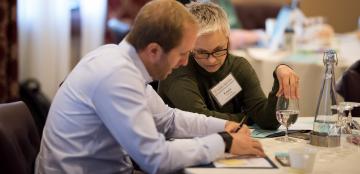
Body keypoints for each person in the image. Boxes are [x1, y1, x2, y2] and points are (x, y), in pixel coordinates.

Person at [35, 1, 265, 174]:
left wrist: (224, 125)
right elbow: (155, 159)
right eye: (182, 54)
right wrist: (224, 142)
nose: (184, 63)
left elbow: (168, 119)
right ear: (154, 50)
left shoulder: (118, 59)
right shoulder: (116, 76)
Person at [158, 2, 300, 130]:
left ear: (228, 40)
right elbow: (200, 120)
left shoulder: (239, 67)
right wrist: (247, 118)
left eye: (219, 50)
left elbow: (267, 122)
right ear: (188, 44)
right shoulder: (176, 68)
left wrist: (280, 73)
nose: (212, 60)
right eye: (201, 52)